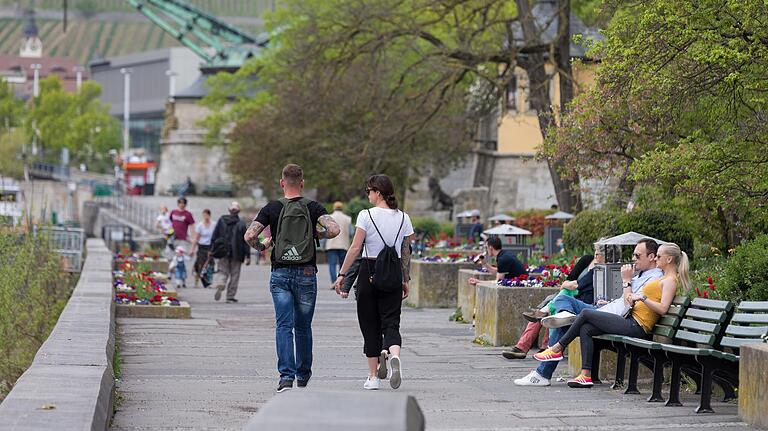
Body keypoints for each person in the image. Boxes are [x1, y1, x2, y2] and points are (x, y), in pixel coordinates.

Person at [532, 243, 689, 388]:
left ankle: (557, 348)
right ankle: (585, 375)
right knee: (586, 328)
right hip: (630, 320)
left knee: (586, 313)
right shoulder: (662, 278)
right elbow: (631, 299)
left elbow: (662, 309)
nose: (656, 258)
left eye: (659, 256)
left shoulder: (670, 280)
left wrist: (642, 297)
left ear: (669, 259)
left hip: (637, 325)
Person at [244, 164, 340, 393]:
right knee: (303, 327)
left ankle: (285, 377)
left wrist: (263, 246)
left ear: (282, 183)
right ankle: (303, 375)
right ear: (302, 183)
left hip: (280, 274)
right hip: (306, 273)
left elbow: (249, 235)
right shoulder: (313, 207)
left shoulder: (273, 207)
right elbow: (335, 230)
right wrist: (316, 234)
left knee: (283, 325)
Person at [334, 174, 415, 391]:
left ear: (378, 192)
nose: (367, 194)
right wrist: (405, 279)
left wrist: (342, 274)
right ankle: (394, 355)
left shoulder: (366, 215)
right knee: (391, 322)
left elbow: (355, 248)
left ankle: (372, 376)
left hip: (369, 274)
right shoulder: (404, 217)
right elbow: (406, 252)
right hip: (393, 275)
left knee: (369, 325)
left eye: (369, 190)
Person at [501, 254, 595, 361]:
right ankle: (524, 347)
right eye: (597, 251)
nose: (597, 255)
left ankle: (541, 347)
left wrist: (572, 285)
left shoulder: (605, 268)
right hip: (568, 296)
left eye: (600, 253)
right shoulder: (587, 259)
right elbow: (566, 282)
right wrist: (569, 285)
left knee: (551, 307)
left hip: (584, 303)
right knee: (554, 303)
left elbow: (579, 286)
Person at [211, 202, 251, 303]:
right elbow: (245, 241)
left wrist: (211, 250)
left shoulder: (221, 220)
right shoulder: (241, 223)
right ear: (238, 211)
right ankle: (230, 296)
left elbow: (215, 235)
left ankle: (221, 283)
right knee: (235, 276)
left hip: (222, 252)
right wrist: (248, 256)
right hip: (237, 253)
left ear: (229, 210)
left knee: (222, 271)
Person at [325, 201, 352, 289]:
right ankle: (340, 282)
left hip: (331, 244)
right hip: (343, 244)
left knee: (332, 264)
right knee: (342, 265)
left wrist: (322, 244)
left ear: (334, 208)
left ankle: (333, 282)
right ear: (342, 208)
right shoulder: (347, 219)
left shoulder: (329, 218)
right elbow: (351, 232)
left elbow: (324, 232)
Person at [190, 209, 215, 288]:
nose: (205, 217)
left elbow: (217, 236)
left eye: (206, 215)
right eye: (204, 215)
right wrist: (192, 249)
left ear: (209, 215)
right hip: (202, 247)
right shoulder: (200, 225)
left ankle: (208, 282)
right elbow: (196, 238)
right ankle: (202, 281)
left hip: (210, 247)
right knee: (200, 264)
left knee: (210, 264)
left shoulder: (214, 224)